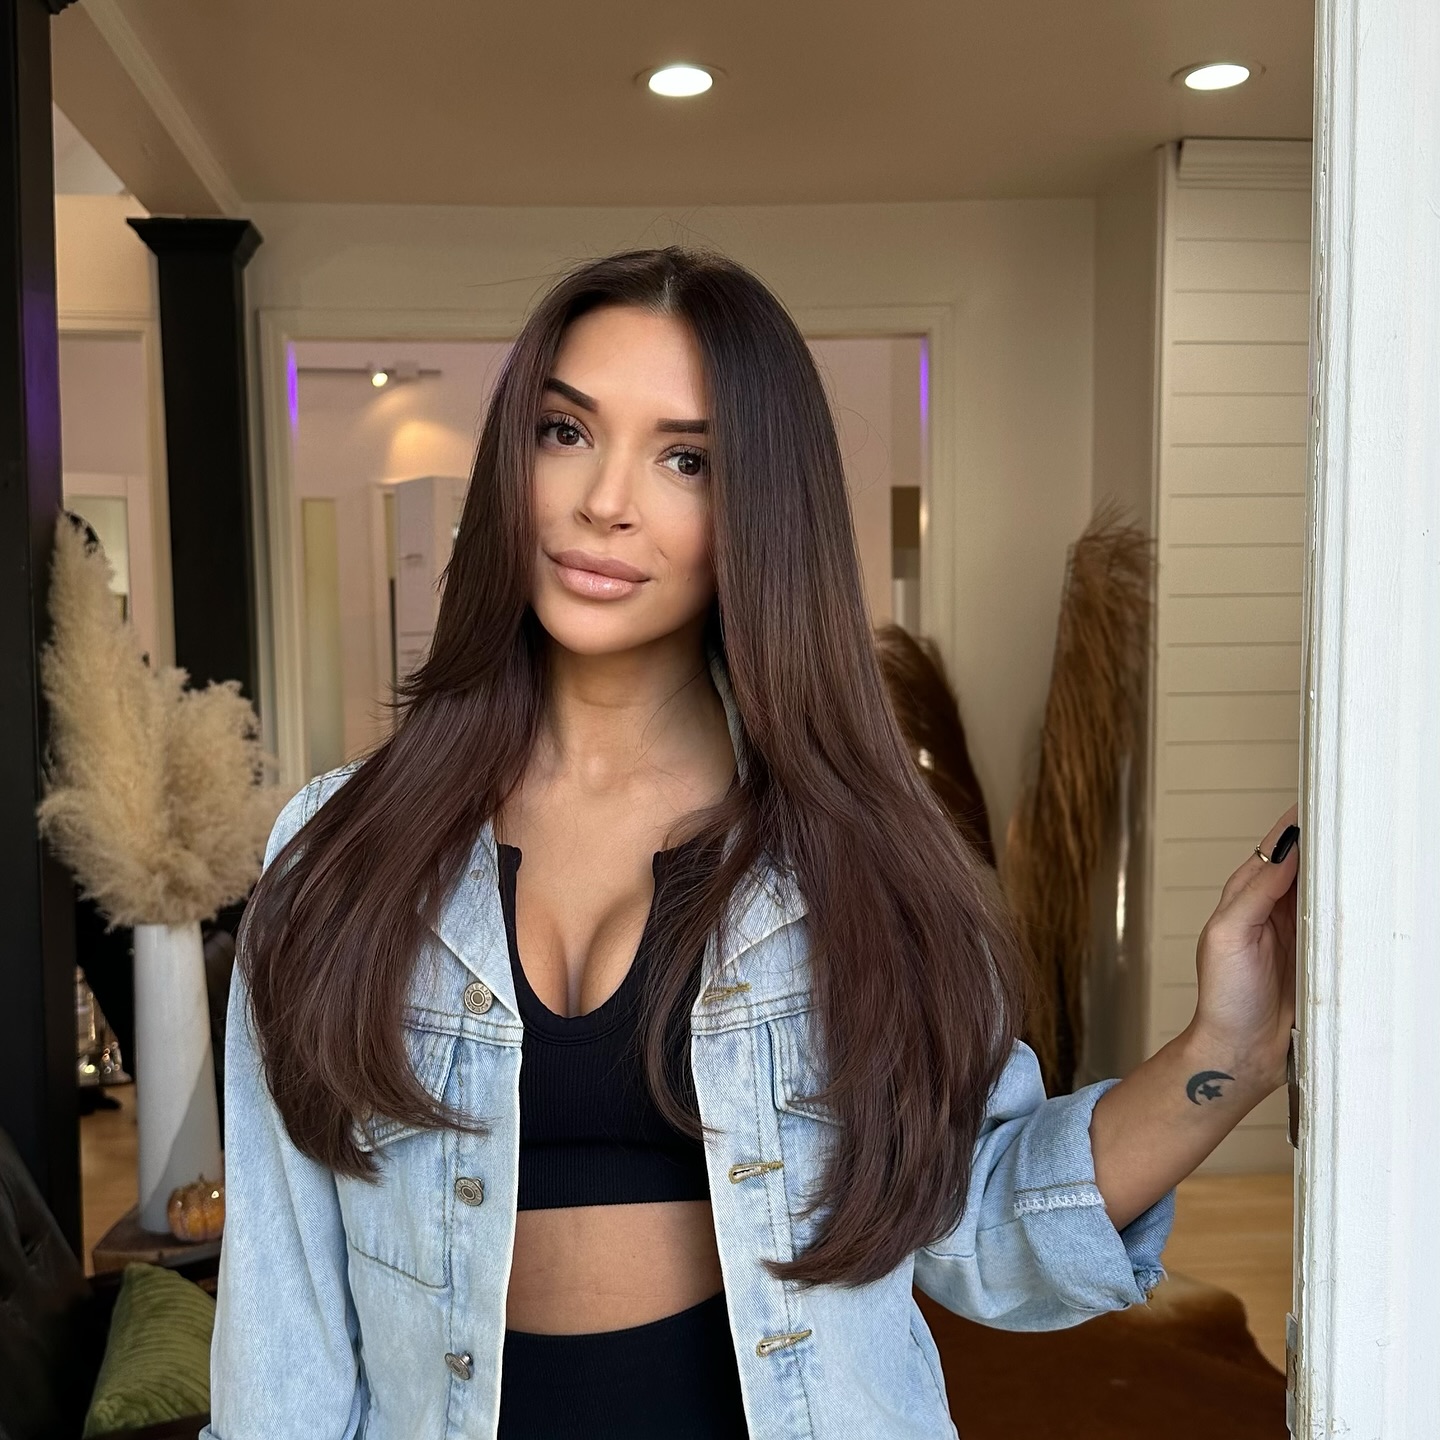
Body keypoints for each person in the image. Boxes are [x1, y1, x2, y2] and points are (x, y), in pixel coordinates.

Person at [203, 248, 1298, 1440]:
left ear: (758, 510)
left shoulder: (852, 857)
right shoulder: (339, 850)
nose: (604, 500)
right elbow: (285, 1310)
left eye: (686, 459)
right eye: (566, 433)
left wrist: (1227, 1052)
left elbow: (980, 1221)